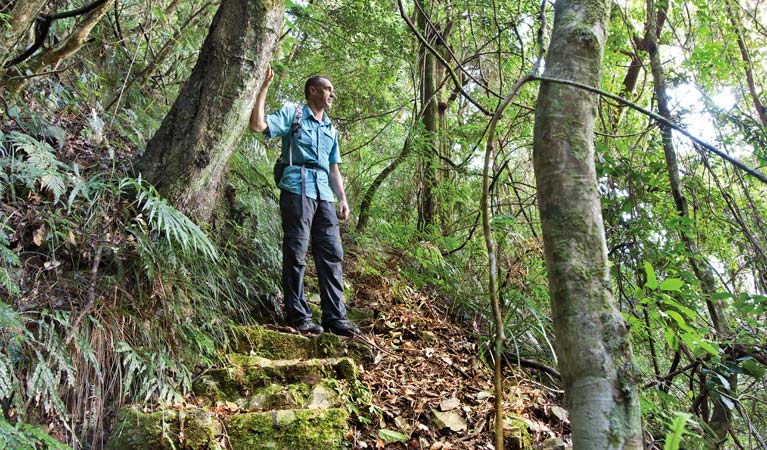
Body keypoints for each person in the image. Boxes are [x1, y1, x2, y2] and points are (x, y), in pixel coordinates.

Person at [249, 65, 359, 336]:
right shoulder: (294, 114)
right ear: (313, 91)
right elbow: (258, 125)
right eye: (328, 89)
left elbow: (333, 169)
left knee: (332, 253)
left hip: (324, 195)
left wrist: (342, 199)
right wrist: (263, 88)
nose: (332, 94)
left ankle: (335, 317)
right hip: (297, 188)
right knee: (296, 251)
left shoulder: (331, 128)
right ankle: (299, 316)